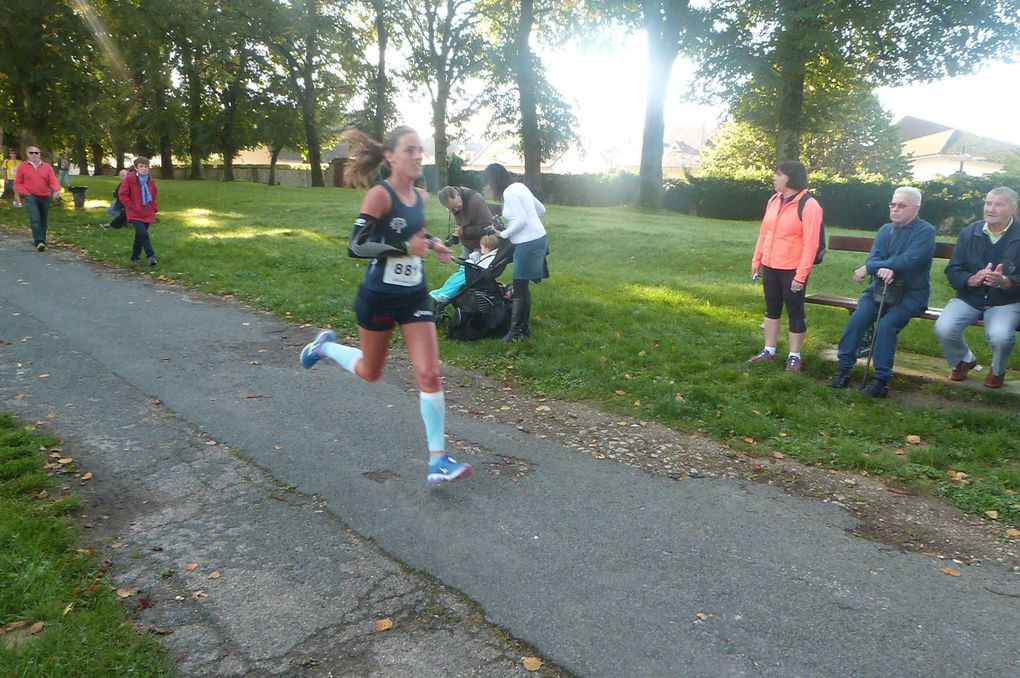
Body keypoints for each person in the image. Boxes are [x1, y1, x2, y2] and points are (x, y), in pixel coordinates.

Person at [298, 125, 471, 486]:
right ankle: (324, 346)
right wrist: (406, 249)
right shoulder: (381, 194)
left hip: (413, 297)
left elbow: (417, 235)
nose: (417, 156)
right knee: (370, 372)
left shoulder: (422, 198)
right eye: (409, 150)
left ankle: (437, 459)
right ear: (391, 156)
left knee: (429, 373)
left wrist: (435, 244)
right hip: (378, 296)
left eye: (420, 150)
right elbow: (357, 245)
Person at [828, 187, 935, 397]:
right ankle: (843, 369)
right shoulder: (885, 230)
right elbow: (873, 259)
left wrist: (879, 267)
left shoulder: (925, 231)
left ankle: (881, 381)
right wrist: (880, 267)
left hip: (911, 295)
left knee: (886, 326)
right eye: (892, 204)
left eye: (901, 205)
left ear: (916, 208)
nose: (895, 209)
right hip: (878, 290)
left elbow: (911, 259)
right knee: (857, 319)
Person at [934, 187, 1020, 388]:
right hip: (970, 296)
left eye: (998, 204)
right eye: (988, 203)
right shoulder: (970, 232)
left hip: (1005, 300)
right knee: (944, 327)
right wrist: (971, 279)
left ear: (1014, 208)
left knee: (1000, 336)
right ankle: (963, 359)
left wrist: (1006, 282)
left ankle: (998, 370)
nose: (990, 209)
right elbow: (953, 269)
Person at [749, 160, 823, 372]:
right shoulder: (774, 200)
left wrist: (801, 276)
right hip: (770, 264)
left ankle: (794, 356)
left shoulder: (809, 205)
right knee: (771, 309)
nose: (774, 177)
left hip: (793, 268)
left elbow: (811, 244)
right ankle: (769, 351)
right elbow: (765, 233)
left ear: (790, 178)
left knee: (795, 311)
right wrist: (757, 260)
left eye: (778, 174)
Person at [482, 163, 548, 341]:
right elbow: (541, 210)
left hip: (528, 243)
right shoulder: (519, 186)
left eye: (488, 182)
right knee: (522, 286)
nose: (488, 187)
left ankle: (516, 331)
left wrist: (503, 233)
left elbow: (521, 220)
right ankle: (523, 329)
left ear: (494, 180)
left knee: (519, 286)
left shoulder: (510, 193)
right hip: (538, 239)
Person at [430, 234, 502, 303]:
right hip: (473, 272)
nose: (481, 249)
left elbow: (480, 267)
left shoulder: (490, 258)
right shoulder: (491, 255)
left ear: (487, 248)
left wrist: (471, 260)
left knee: (456, 282)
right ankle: (443, 291)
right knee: (454, 278)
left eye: (482, 247)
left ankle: (446, 295)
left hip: (473, 275)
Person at [13, 145, 60, 251]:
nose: (34, 155)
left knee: (43, 219)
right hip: (31, 196)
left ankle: (42, 240)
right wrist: (27, 193)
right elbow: (18, 183)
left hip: (45, 196)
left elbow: (53, 180)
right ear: (27, 154)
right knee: (35, 219)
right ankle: (39, 241)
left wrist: (56, 190)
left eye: (36, 153)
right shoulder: (22, 166)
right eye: (31, 153)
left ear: (40, 154)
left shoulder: (47, 167)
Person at [118, 157, 159, 266]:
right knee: (143, 233)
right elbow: (122, 195)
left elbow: (153, 195)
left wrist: (154, 208)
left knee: (139, 236)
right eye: (141, 166)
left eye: (146, 166)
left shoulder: (150, 181)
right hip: (134, 212)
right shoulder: (129, 179)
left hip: (147, 211)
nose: (144, 169)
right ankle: (151, 256)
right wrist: (132, 206)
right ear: (136, 168)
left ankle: (134, 258)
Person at [437, 185, 493, 256]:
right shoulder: (454, 204)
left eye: (456, 204)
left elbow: (488, 226)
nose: (456, 209)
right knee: (462, 267)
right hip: (468, 244)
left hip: (482, 246)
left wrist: (465, 232)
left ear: (457, 194)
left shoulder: (476, 200)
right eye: (451, 208)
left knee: (472, 267)